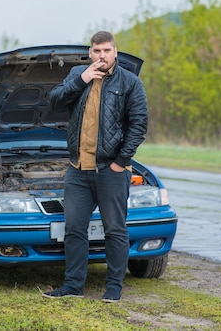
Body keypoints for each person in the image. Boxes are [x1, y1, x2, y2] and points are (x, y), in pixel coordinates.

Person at [43, 31, 148, 303]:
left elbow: (138, 126)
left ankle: (113, 288)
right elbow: (54, 101)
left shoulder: (130, 83)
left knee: (115, 229)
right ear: (90, 52)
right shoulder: (79, 75)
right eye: (97, 50)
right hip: (78, 169)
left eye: (107, 50)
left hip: (111, 171)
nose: (102, 55)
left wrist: (120, 163)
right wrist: (81, 80)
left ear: (115, 52)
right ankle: (73, 286)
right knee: (74, 229)